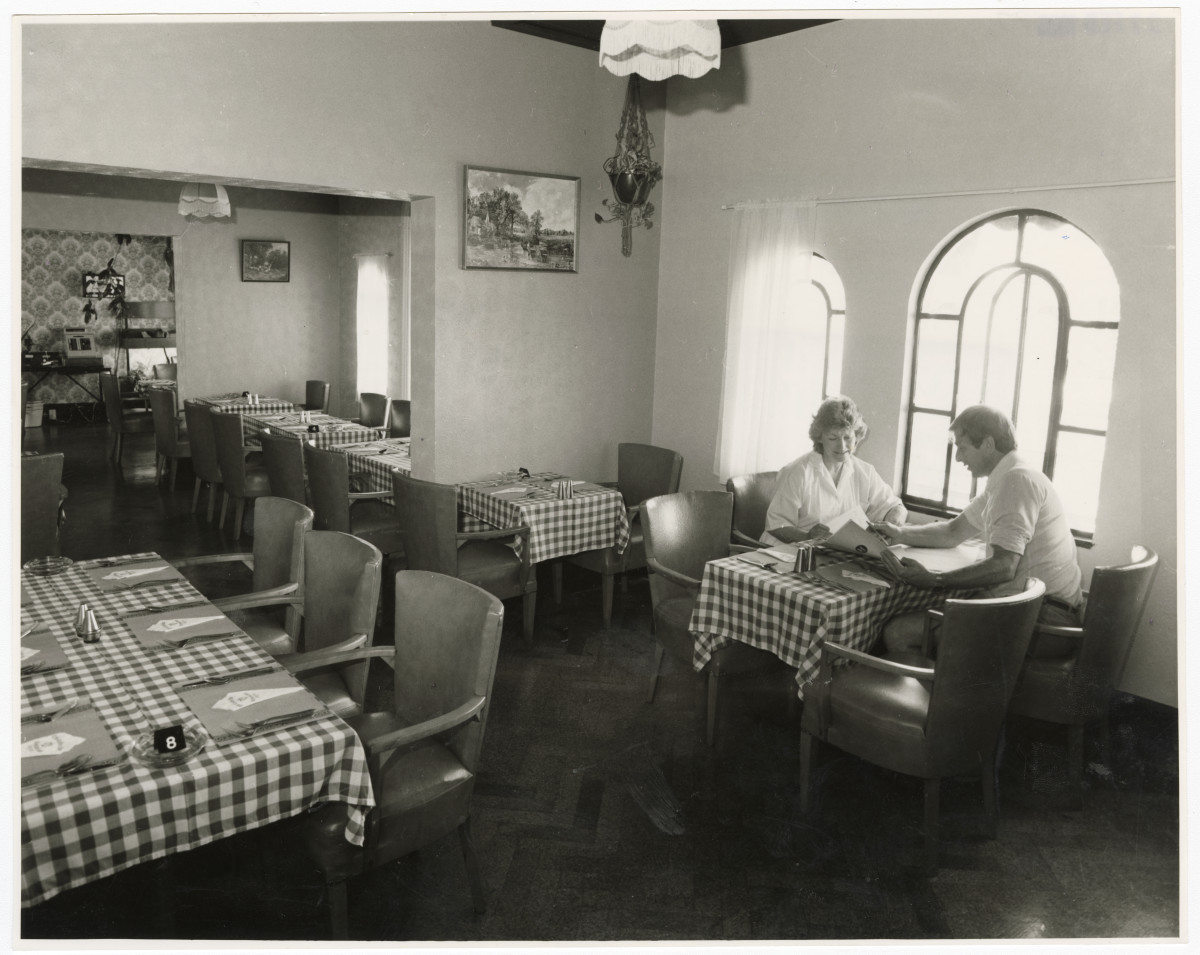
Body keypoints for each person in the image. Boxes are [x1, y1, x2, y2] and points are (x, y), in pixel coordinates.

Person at [872, 404, 1082, 658]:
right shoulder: (1007, 478)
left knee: (899, 632)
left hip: (1046, 621)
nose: (958, 458)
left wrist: (936, 581)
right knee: (928, 615)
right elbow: (953, 532)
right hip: (1034, 608)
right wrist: (899, 533)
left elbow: (1004, 566)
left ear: (988, 444)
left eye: (963, 448)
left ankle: (944, 685)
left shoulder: (1016, 482)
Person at [761, 395, 906, 546]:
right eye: (832, 438)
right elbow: (776, 525)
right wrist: (807, 536)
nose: (842, 446)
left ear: (857, 437)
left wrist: (890, 528)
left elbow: (897, 508)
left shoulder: (865, 472)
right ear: (819, 438)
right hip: (788, 551)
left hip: (834, 551)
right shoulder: (797, 472)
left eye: (848, 438)